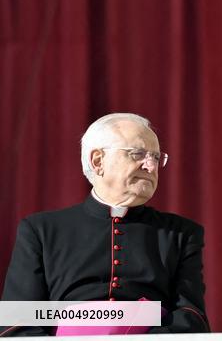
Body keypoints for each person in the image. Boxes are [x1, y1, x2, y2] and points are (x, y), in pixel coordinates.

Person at [1, 113, 209, 335]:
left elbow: (190, 317)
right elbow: (17, 322)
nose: (151, 166)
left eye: (156, 157)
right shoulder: (41, 231)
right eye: (138, 154)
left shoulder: (181, 234)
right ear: (98, 161)